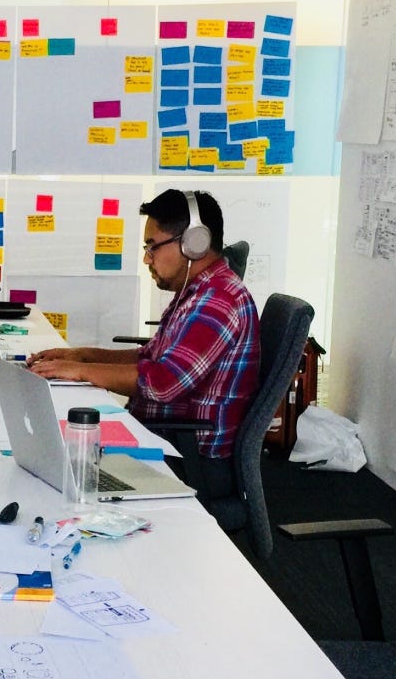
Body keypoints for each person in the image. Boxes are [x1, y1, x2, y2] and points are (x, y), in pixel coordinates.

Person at [28, 188, 260, 504]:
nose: (146, 258)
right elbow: (149, 358)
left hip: (189, 460)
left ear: (195, 242)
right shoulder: (196, 293)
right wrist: (81, 355)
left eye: (153, 246)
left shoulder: (218, 301)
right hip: (165, 441)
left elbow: (162, 383)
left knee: (56, 476)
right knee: (52, 457)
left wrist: (81, 371)